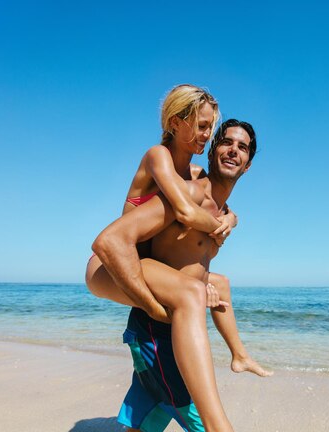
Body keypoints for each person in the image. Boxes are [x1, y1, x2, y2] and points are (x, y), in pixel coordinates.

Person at [86, 85, 270, 371]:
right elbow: (186, 211)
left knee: (219, 284)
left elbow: (214, 203)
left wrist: (232, 219)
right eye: (202, 126)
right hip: (114, 263)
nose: (208, 135)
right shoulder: (158, 156)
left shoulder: (195, 174)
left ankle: (240, 355)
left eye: (210, 128)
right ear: (176, 123)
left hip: (149, 265)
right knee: (186, 300)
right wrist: (217, 229)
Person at [94, 120, 257, 432]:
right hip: (156, 328)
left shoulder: (222, 210)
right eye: (226, 142)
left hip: (170, 332)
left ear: (248, 165)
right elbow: (112, 241)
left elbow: (190, 267)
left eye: (242, 147)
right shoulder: (186, 193)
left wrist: (231, 219)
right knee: (213, 430)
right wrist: (158, 305)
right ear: (211, 151)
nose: (233, 150)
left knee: (142, 429)